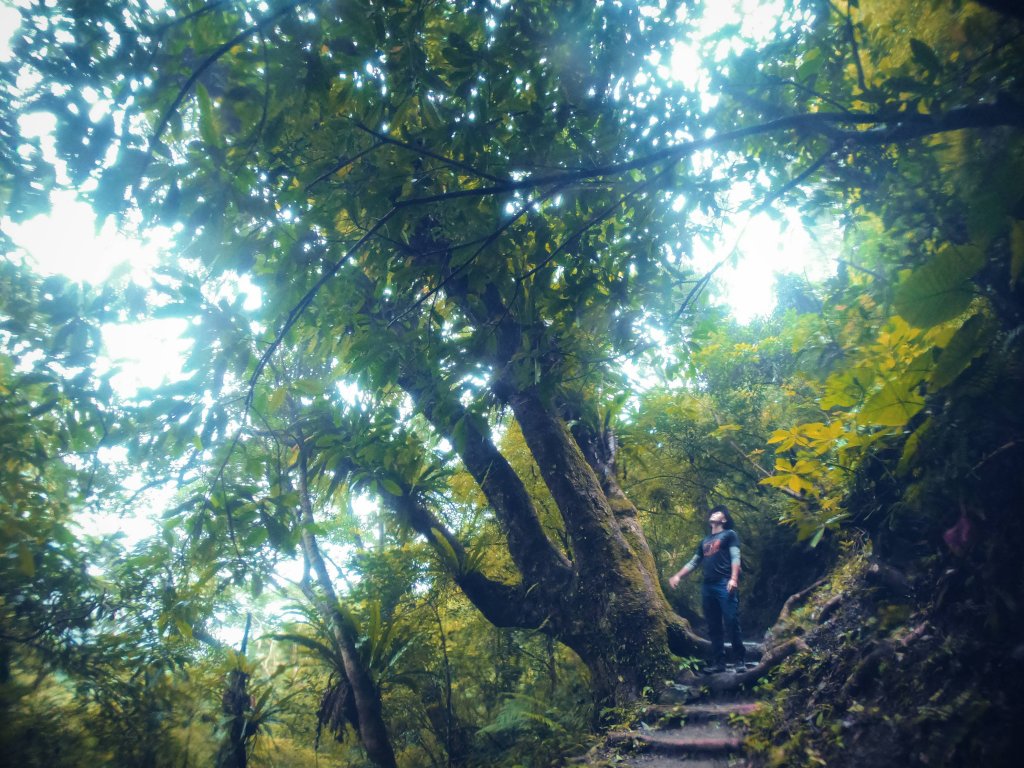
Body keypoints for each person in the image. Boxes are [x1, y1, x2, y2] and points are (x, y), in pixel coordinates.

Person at [668, 505, 745, 672]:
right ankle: (719, 663)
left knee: (731, 620)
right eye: (713, 512)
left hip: (724, 583)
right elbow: (694, 562)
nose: (713, 514)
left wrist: (733, 578)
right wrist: (677, 576)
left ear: (723, 519)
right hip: (708, 586)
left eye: (718, 513)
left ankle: (739, 660)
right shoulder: (704, 541)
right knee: (713, 625)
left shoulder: (729, 535)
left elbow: (735, 557)